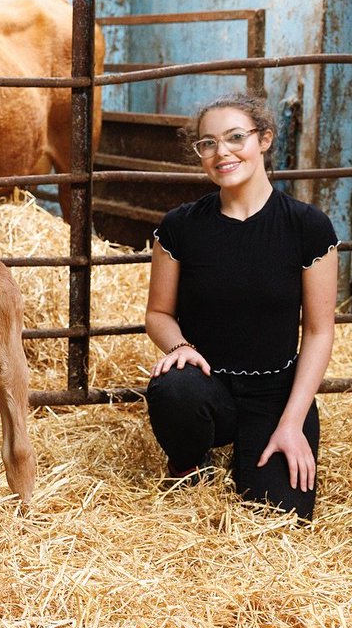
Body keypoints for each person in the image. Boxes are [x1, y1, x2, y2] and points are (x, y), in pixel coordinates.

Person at [144, 92, 338, 520]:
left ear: (264, 139)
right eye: (208, 143)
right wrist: (179, 348)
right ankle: (188, 462)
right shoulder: (181, 225)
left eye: (235, 137)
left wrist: (292, 422)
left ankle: (263, 447)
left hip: (275, 394)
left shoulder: (307, 226)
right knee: (173, 388)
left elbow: (321, 331)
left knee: (280, 515)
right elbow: (157, 314)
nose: (222, 152)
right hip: (208, 386)